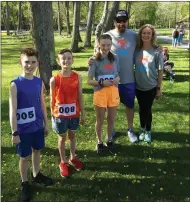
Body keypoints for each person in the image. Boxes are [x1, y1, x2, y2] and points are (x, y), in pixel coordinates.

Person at [9, 48, 53, 202]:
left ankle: (36, 174)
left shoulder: (39, 82)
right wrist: (14, 132)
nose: (29, 65)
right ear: (21, 62)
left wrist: (46, 124)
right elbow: (13, 110)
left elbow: (41, 103)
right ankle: (24, 182)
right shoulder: (15, 84)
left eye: (33, 62)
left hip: (37, 126)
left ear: (37, 63)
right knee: (24, 156)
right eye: (26, 62)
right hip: (23, 129)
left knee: (37, 150)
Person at [93, 10, 138, 143]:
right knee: (109, 108)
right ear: (114, 22)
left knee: (129, 105)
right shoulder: (108, 35)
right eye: (119, 21)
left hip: (129, 79)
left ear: (127, 21)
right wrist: (92, 58)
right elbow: (98, 50)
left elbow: (146, 43)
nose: (121, 23)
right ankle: (110, 130)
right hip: (111, 81)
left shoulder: (134, 35)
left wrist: (156, 47)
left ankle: (130, 129)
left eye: (124, 20)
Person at [50, 49, 85, 178]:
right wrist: (52, 114)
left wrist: (83, 112)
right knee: (62, 137)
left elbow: (80, 95)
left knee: (72, 135)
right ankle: (63, 161)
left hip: (74, 113)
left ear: (73, 60)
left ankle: (72, 157)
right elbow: (52, 98)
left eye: (69, 58)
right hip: (60, 115)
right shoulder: (54, 79)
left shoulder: (77, 77)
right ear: (58, 61)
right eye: (63, 58)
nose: (66, 61)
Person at [87, 34, 120, 154]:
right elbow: (89, 81)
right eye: (103, 45)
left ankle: (109, 139)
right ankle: (99, 141)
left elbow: (117, 74)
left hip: (113, 92)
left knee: (111, 119)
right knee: (100, 120)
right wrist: (101, 83)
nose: (105, 48)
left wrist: (117, 79)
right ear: (98, 45)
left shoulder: (115, 58)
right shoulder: (94, 60)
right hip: (100, 93)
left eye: (108, 45)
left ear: (111, 45)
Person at [134, 24, 164, 143]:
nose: (146, 35)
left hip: (151, 86)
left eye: (148, 33)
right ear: (140, 35)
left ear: (152, 36)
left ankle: (148, 131)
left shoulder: (157, 51)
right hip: (138, 86)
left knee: (147, 109)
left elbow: (160, 71)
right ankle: (142, 129)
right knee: (142, 109)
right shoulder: (136, 50)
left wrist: (158, 88)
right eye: (144, 33)